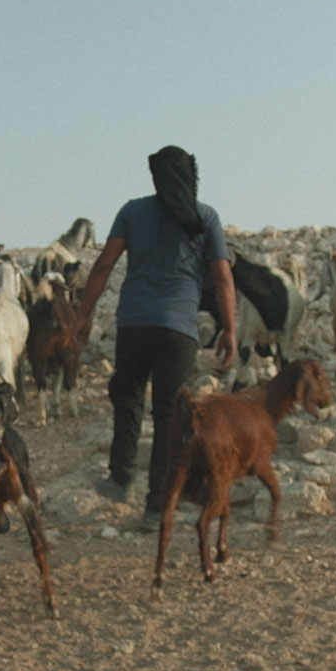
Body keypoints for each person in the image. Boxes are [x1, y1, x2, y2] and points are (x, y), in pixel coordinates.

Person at [76, 146, 237, 529]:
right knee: (169, 416)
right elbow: (222, 276)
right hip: (179, 330)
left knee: (127, 394)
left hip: (134, 325)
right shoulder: (205, 216)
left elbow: (103, 265)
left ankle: (120, 476)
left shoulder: (132, 211)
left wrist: (84, 314)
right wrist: (229, 328)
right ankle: (155, 507)